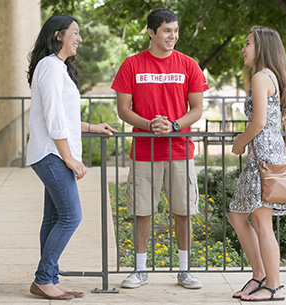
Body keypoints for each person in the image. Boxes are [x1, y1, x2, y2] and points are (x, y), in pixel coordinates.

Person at [111, 8, 209, 290]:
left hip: (180, 150)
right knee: (142, 211)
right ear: (151, 32)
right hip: (144, 150)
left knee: (183, 211)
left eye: (175, 31)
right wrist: (150, 125)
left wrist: (174, 126)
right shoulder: (131, 65)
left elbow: (198, 109)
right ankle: (140, 270)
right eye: (167, 30)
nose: (173, 36)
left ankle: (185, 269)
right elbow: (123, 110)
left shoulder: (188, 65)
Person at [25, 15, 117, 300]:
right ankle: (43, 278)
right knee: (71, 216)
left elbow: (63, 117)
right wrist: (69, 158)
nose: (79, 38)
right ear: (58, 35)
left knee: (53, 218)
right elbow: (53, 119)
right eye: (74, 33)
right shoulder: (50, 67)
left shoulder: (57, 68)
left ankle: (49, 278)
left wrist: (91, 127)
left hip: (52, 152)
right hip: (52, 154)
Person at [228, 26, 286, 302]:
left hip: (263, 158)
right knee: (237, 216)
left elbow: (258, 123)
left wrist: (239, 143)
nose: (243, 49)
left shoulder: (260, 77)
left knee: (261, 221)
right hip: (264, 156)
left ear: (262, 48)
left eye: (248, 43)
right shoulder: (269, 76)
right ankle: (259, 276)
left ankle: (274, 285)